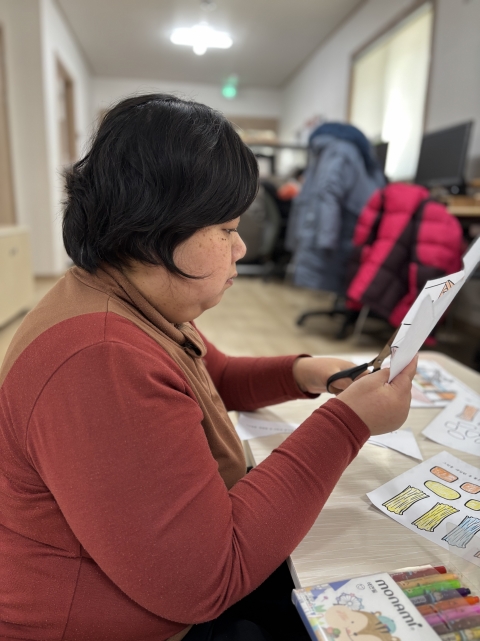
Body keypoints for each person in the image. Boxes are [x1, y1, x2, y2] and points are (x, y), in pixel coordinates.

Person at [0, 94, 416, 641]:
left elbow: (210, 375)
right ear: (155, 229)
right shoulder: (100, 358)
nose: (240, 247)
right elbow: (204, 582)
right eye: (226, 229)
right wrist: (348, 424)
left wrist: (306, 372)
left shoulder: (129, 298)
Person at [286, 122, 386, 296]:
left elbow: (328, 194)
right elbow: (328, 193)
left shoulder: (335, 150)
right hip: (343, 228)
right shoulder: (341, 149)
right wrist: (326, 240)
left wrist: (326, 240)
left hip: (333, 230)